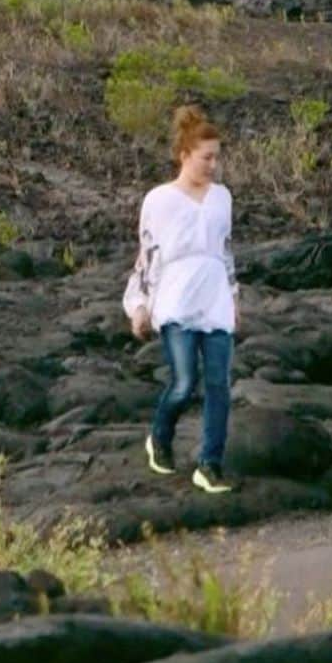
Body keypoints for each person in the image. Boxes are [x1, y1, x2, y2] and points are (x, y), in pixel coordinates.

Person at [122, 105, 240, 493]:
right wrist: (139, 305)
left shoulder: (222, 198)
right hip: (175, 297)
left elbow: (225, 252)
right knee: (185, 382)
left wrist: (234, 298)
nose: (213, 165)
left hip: (215, 298)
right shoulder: (159, 200)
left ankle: (209, 464)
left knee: (219, 384)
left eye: (217, 157)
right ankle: (160, 436)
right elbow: (147, 257)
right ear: (184, 155)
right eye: (207, 157)